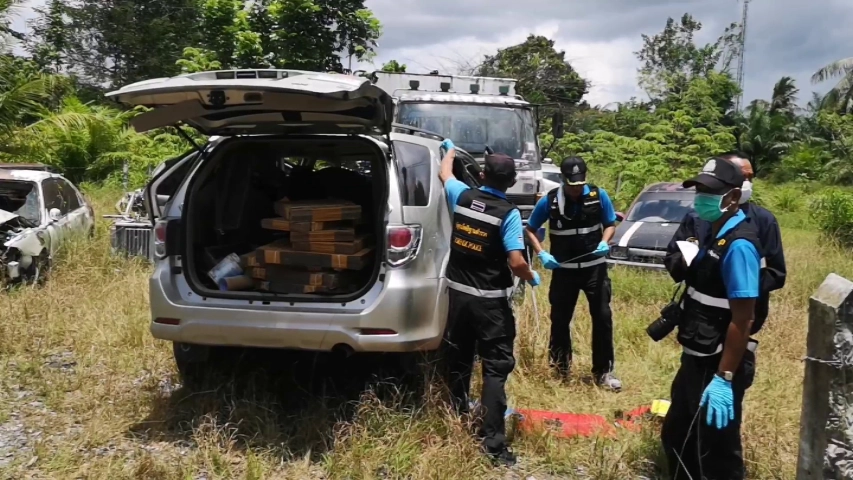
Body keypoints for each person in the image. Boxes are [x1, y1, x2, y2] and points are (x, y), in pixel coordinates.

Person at [437, 138, 540, 467]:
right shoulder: (508, 214)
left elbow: (444, 174)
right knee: (495, 369)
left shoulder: (462, 197)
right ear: (510, 183)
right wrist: (529, 274)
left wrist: (449, 151)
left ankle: (455, 416)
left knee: (458, 359)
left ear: (481, 176)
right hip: (490, 305)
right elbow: (515, 261)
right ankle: (493, 445)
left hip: (457, 297)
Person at [660, 157, 762, 480]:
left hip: (718, 363)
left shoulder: (739, 245)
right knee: (678, 436)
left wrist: (724, 378)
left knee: (715, 452)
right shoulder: (711, 233)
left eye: (710, 191)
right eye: (699, 190)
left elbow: (743, 319)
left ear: (733, 198)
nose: (701, 197)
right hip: (696, 355)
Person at [524, 156, 622, 391]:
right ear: (563, 180)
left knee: (602, 318)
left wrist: (605, 241)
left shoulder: (599, 196)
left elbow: (610, 223)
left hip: (594, 271)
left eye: (579, 185)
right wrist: (541, 253)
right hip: (563, 272)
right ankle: (560, 370)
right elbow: (530, 228)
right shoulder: (550, 201)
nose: (576, 189)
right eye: (571, 185)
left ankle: (603, 371)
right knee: (559, 320)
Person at [665, 151, 787, 336]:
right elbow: (672, 258)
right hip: (698, 322)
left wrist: (736, 281)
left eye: (750, 177)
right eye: (741, 175)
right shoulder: (697, 218)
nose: (746, 182)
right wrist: (688, 262)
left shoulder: (764, 220)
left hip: (738, 321)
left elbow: (776, 273)